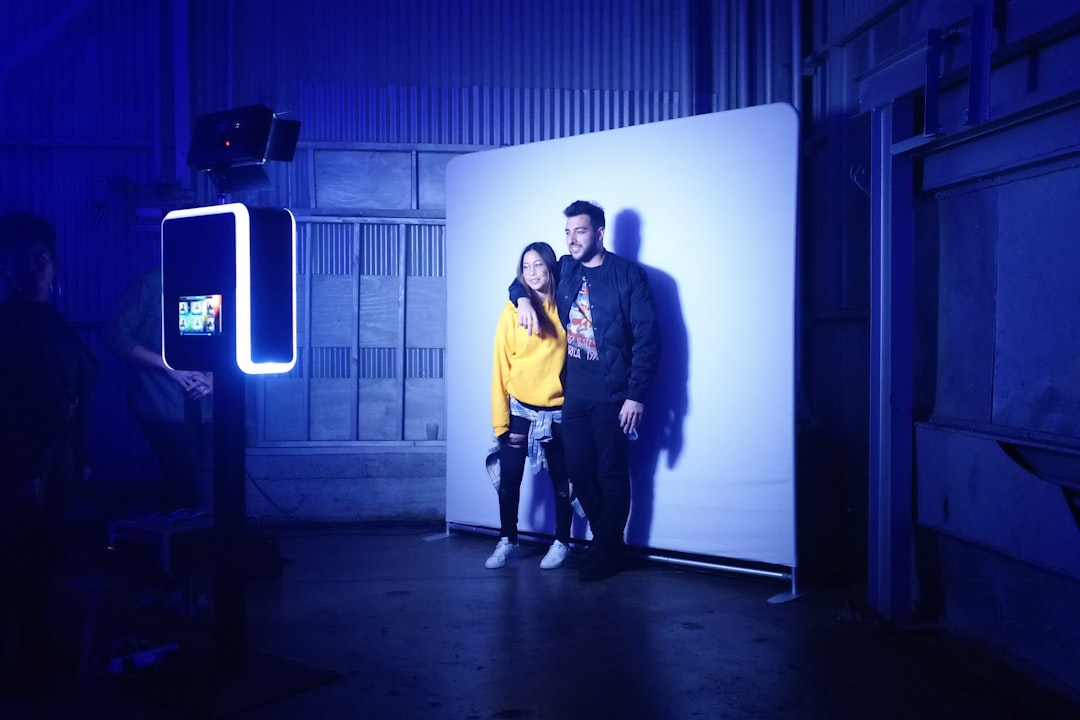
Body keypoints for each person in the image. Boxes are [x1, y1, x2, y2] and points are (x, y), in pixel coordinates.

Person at [511, 200, 659, 580]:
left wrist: (636, 395)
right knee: (577, 471)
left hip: (614, 393)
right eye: (568, 232)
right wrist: (523, 298)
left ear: (599, 233)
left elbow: (647, 339)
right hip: (574, 393)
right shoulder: (567, 267)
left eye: (580, 231)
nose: (572, 239)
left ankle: (605, 550)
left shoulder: (629, 276)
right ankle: (609, 544)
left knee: (611, 472)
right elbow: (523, 278)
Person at [0, 212, 98, 694]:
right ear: (8, 269)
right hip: (26, 462)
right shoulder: (8, 324)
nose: (36, 266)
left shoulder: (54, 321)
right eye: (25, 259)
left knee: (44, 555)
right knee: (14, 562)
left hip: (57, 458)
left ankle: (36, 644)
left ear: (55, 267)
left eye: (43, 258)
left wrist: (78, 454)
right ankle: (9, 665)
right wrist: (24, 468)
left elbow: (74, 386)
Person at [486, 242, 574, 570]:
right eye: (526, 267)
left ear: (551, 266)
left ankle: (562, 542)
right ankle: (507, 539)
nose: (532, 272)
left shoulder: (566, 305)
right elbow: (500, 367)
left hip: (558, 410)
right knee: (509, 481)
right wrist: (500, 422)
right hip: (520, 409)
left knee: (563, 483)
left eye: (538, 265)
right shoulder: (512, 312)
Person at [105, 266, 212, 513]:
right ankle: (174, 532)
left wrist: (212, 380)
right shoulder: (151, 283)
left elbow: (224, 341)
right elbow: (116, 337)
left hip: (206, 404)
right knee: (184, 480)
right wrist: (169, 367)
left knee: (196, 478)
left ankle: (179, 530)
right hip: (160, 401)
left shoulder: (212, 280)